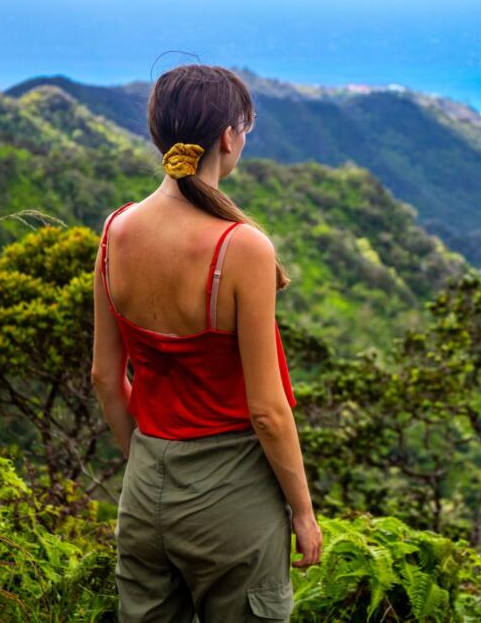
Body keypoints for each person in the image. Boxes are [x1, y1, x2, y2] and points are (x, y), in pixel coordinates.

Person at [90, 63, 323, 622]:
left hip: (145, 493)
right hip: (232, 500)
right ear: (228, 137)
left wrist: (146, 463)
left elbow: (105, 377)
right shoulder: (240, 246)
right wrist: (303, 513)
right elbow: (267, 411)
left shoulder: (117, 229)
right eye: (247, 125)